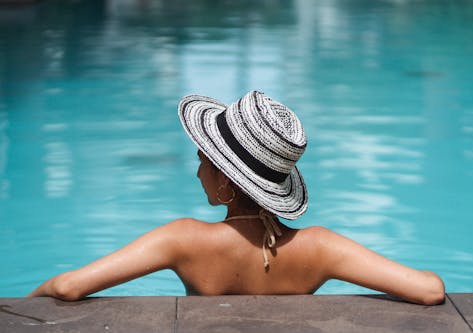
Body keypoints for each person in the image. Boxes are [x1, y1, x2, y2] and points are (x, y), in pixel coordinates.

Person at [28, 91, 445, 305]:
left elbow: (68, 287)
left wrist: (28, 299)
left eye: (203, 160)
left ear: (227, 181)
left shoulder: (183, 240)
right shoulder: (320, 248)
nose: (197, 171)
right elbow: (429, 290)